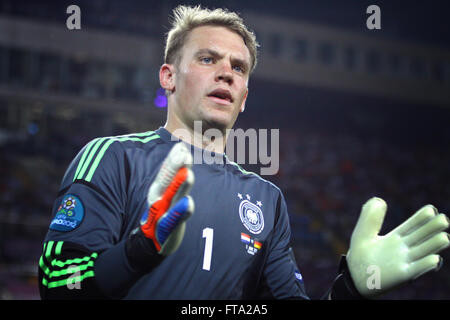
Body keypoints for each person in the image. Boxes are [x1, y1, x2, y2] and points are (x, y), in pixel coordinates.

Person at [38, 5, 450, 300]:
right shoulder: (113, 157)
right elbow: (57, 283)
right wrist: (138, 250)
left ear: (245, 97)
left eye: (238, 67)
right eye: (207, 58)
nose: (226, 73)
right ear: (168, 77)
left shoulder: (266, 200)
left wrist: (354, 289)